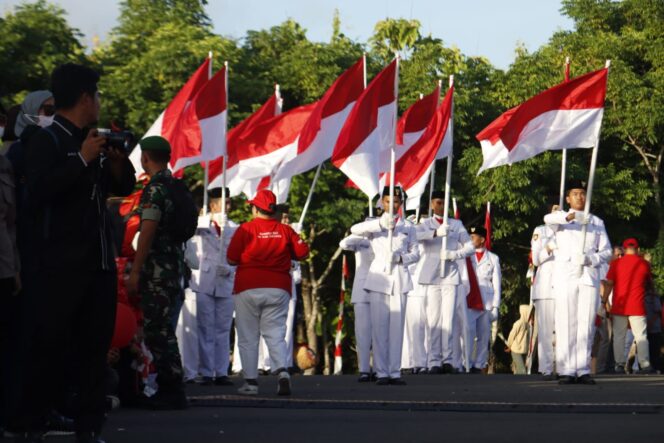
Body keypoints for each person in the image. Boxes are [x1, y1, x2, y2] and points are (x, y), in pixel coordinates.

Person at [18, 63, 135, 443]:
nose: (100, 102)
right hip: (57, 266)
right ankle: (33, 423)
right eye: (97, 95)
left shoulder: (93, 140)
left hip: (98, 264)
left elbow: (118, 188)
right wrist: (81, 158)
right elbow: (36, 193)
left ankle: (89, 429)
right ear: (86, 97)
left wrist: (116, 163)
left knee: (94, 351)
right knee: (48, 347)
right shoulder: (46, 140)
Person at [127, 135, 190, 409]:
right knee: (163, 327)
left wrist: (136, 270)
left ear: (145, 158)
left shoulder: (155, 190)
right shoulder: (176, 186)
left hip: (156, 270)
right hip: (173, 265)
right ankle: (171, 386)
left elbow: (148, 229)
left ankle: (171, 388)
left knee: (158, 329)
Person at [227, 189, 309, 396]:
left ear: (255, 209)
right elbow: (303, 253)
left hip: (248, 287)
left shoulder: (245, 229)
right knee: (275, 334)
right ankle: (282, 372)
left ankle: (251, 383)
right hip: (278, 287)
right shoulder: (285, 230)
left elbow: (231, 259)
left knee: (247, 337)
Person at [544, 180, 611, 385]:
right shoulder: (559, 219)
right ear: (567, 198)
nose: (579, 197)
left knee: (586, 324)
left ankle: (582, 369)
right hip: (565, 276)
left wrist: (591, 259)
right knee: (565, 322)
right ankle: (566, 369)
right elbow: (548, 218)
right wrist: (569, 216)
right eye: (575, 193)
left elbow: (607, 252)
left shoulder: (596, 222)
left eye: (582, 193)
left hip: (588, 276)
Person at [350, 186, 419, 385]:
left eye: (396, 202)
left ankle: (394, 372)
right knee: (379, 328)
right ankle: (381, 372)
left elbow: (416, 253)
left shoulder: (408, 226)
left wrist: (400, 257)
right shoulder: (372, 224)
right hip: (379, 278)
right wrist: (380, 224)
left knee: (396, 328)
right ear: (382, 203)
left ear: (401, 204)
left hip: (399, 277)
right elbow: (355, 230)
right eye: (388, 202)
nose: (392, 205)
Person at [414, 190, 473, 374]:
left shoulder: (456, 224)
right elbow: (415, 236)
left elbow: (470, 246)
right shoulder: (425, 223)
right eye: (438, 202)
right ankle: (433, 360)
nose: (441, 206)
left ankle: (448, 359)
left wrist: (455, 254)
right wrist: (435, 233)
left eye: (443, 203)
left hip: (450, 274)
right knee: (434, 319)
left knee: (448, 318)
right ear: (432, 205)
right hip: (432, 275)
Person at [187, 187, 237, 386]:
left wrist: (231, 268)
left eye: (229, 203)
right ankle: (207, 371)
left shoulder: (234, 227)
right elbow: (189, 229)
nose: (228, 207)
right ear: (214, 205)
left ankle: (221, 371)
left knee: (223, 329)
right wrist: (205, 220)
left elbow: (240, 253)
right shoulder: (202, 224)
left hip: (225, 279)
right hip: (205, 280)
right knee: (205, 327)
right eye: (225, 203)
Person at [603, 238, 653, 374]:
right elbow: (649, 283)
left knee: (619, 336)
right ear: (637, 249)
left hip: (620, 305)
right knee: (641, 336)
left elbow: (609, 284)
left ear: (624, 250)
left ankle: (619, 364)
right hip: (637, 305)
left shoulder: (616, 264)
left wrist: (604, 301)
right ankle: (645, 364)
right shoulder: (644, 264)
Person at [339, 223, 375, 381]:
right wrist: (362, 238)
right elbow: (344, 244)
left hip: (381, 287)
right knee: (362, 332)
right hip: (361, 289)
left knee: (380, 333)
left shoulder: (384, 237)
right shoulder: (360, 239)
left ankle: (380, 368)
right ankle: (364, 369)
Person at [465, 226, 501, 373]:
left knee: (483, 335)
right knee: (468, 333)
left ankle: (479, 364)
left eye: (474, 237)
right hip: (471, 300)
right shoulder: (466, 256)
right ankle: (466, 362)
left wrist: (496, 306)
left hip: (486, 301)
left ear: (482, 240)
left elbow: (497, 283)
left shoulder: (493, 258)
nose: (471, 239)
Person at [530, 208, 557, 380]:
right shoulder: (541, 231)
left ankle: (562, 366)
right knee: (546, 332)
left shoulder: (571, 231)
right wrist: (549, 248)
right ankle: (546, 367)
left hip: (565, 286)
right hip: (546, 287)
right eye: (555, 209)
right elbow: (535, 259)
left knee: (564, 330)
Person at [506, 305, 531, 374]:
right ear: (525, 312)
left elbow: (528, 338)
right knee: (522, 371)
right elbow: (512, 335)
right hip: (516, 350)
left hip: (523, 350)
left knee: (518, 370)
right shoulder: (518, 323)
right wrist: (509, 345)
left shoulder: (527, 324)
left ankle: (516, 384)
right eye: (529, 313)